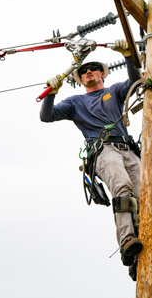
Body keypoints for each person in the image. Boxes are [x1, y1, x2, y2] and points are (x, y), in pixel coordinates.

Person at [39, 40, 143, 277]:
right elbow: (46, 116)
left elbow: (135, 80)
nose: (88, 71)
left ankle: (144, 257)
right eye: (84, 70)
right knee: (123, 188)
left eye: (93, 68)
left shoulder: (113, 91)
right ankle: (127, 242)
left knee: (144, 197)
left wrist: (128, 55)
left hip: (128, 149)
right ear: (80, 79)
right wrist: (51, 94)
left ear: (102, 73)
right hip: (104, 151)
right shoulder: (76, 102)